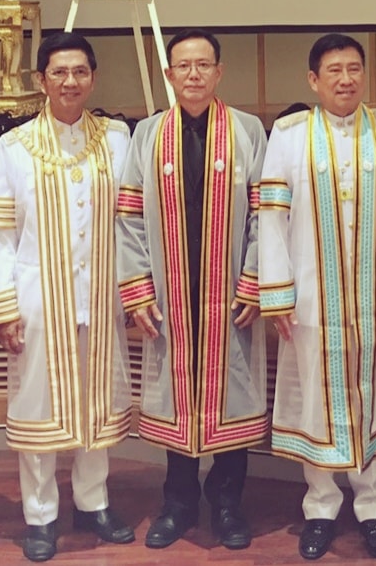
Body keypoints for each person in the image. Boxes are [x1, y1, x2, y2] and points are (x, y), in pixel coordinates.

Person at [259, 33, 376, 561]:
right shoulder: (289, 135)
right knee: (316, 398)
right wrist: (278, 293)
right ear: (314, 80)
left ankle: (373, 508)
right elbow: (272, 217)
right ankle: (320, 506)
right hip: (312, 301)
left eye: (354, 68)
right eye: (333, 70)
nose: (345, 79)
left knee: (372, 394)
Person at [0, 32, 136, 562]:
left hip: (101, 294)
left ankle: (94, 502)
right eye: (59, 72)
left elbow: (132, 221)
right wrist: (4, 306)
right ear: (41, 79)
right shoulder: (14, 146)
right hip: (38, 301)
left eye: (80, 72)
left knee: (97, 400)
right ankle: (40, 514)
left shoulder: (117, 139)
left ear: (93, 77)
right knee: (38, 406)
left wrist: (133, 291)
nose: (70, 82)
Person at [116, 29, 268, 550]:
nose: (194, 74)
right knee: (176, 396)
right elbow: (129, 215)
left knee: (230, 395)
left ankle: (227, 505)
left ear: (219, 72)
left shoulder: (247, 130)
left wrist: (254, 279)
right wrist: (138, 289)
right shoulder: (148, 134)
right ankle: (177, 504)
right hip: (172, 293)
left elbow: (264, 214)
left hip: (230, 293)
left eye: (204, 64)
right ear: (169, 74)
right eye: (184, 65)